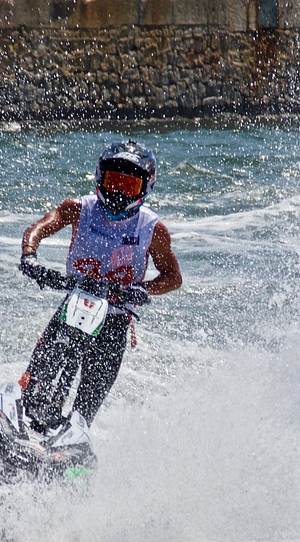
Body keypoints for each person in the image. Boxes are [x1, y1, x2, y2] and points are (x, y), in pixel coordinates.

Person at [18, 140, 183, 429]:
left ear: (145, 188)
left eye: (128, 185)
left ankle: (71, 443)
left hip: (115, 322)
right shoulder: (77, 209)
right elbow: (39, 228)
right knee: (35, 381)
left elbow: (173, 277)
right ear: (99, 177)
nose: (118, 192)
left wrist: (144, 289)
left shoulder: (152, 229)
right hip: (74, 305)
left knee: (85, 409)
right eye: (113, 181)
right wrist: (30, 257)